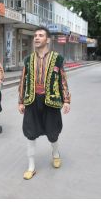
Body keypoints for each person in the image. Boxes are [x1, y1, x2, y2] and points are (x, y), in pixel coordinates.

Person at [18, 27, 71, 180]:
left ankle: (55, 153)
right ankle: (31, 166)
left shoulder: (57, 58)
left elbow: (63, 80)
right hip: (32, 100)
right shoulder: (28, 59)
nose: (36, 38)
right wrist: (21, 101)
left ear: (47, 39)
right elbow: (23, 81)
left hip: (51, 101)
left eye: (40, 35)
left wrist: (66, 99)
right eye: (35, 35)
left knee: (53, 132)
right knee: (30, 133)